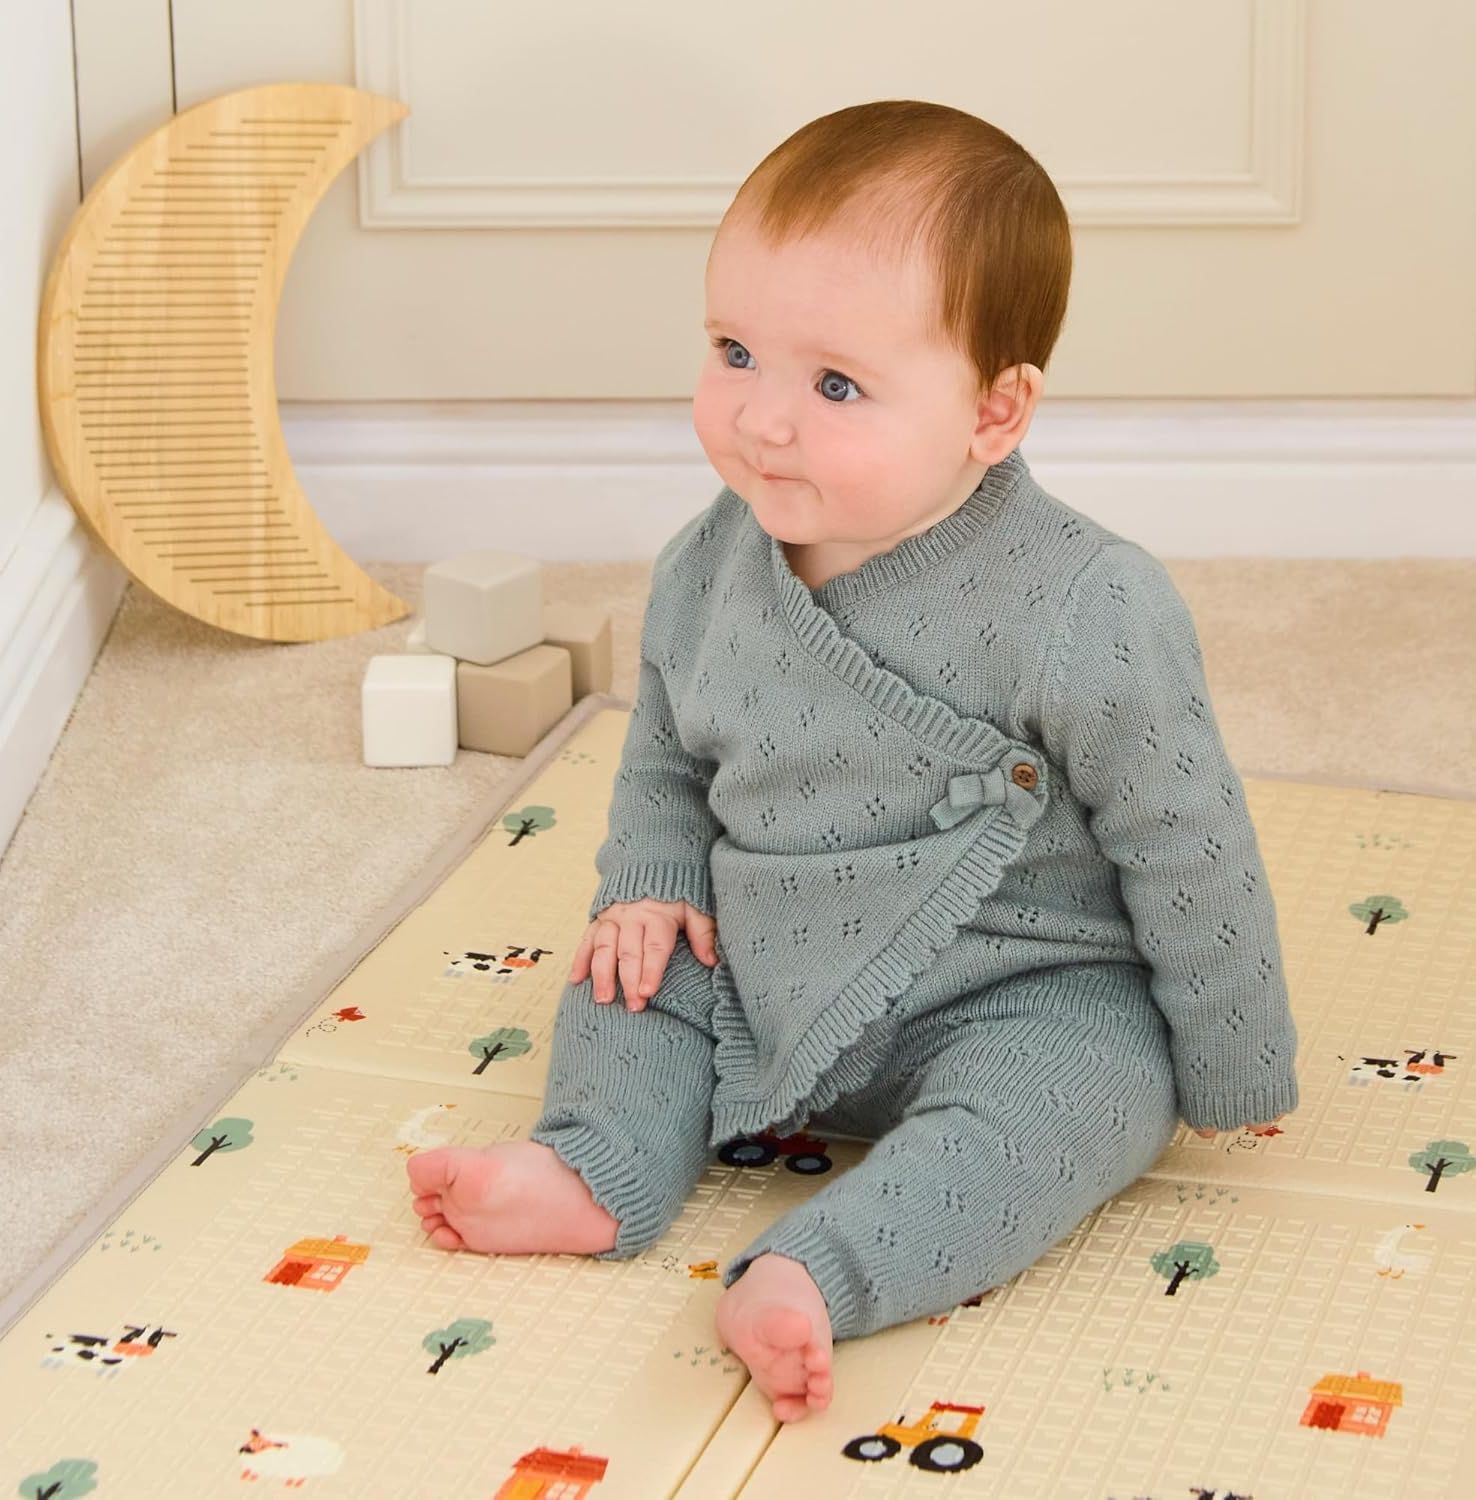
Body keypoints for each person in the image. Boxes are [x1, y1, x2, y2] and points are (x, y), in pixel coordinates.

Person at [407, 100, 1299, 1424]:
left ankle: (820, 1272)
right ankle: (594, 1169)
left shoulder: (1089, 603)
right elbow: (664, 744)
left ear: (994, 412)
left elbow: (1188, 840)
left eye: (834, 386)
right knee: (625, 975)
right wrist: (650, 883)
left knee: (1100, 1093)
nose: (763, 420)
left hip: (1019, 980)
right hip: (767, 957)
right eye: (734, 352)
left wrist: (1235, 1061)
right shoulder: (705, 564)